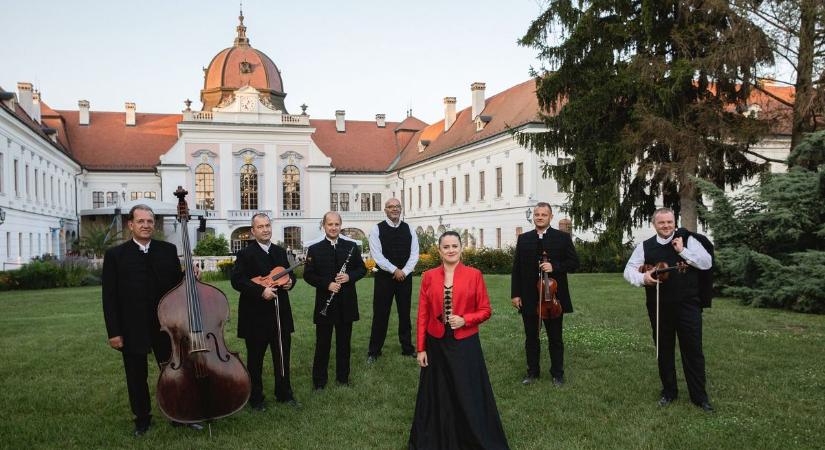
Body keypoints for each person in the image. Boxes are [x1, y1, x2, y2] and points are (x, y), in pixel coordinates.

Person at [102, 204, 202, 436]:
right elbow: (109, 298)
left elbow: (177, 285)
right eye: (141, 221)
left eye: (149, 221)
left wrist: (189, 275)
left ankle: (179, 415)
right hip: (132, 326)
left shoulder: (167, 250)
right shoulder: (116, 255)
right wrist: (114, 332)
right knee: (136, 375)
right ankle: (142, 419)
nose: (146, 225)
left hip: (166, 325)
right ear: (131, 225)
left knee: (174, 371)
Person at [409, 231, 509, 450]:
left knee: (467, 391)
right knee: (438, 393)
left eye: (455, 246)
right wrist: (421, 348)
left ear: (461, 248)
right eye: (446, 247)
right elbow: (422, 315)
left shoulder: (474, 275)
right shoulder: (428, 276)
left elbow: (485, 310)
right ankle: (437, 438)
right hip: (436, 343)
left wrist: (465, 320)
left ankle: (472, 437)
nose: (451, 250)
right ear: (439, 250)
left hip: (465, 343)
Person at [623, 207, 714, 412]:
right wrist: (643, 278)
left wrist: (682, 251)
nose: (666, 226)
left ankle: (699, 397)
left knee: (693, 350)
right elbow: (628, 270)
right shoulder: (645, 246)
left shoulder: (688, 240)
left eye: (670, 222)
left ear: (675, 222)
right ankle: (669, 392)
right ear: (654, 224)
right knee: (663, 350)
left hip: (688, 305)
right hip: (659, 306)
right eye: (662, 223)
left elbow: (706, 263)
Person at [231, 213, 298, 410]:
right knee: (255, 359)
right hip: (255, 315)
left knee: (282, 356)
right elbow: (238, 281)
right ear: (253, 231)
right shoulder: (245, 254)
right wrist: (261, 291)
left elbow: (289, 273)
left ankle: (284, 393)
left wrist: (291, 282)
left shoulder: (279, 251)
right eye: (260, 227)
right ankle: (256, 398)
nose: (265, 229)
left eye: (268, 225)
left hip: (280, 313)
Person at [511, 202, 579, 386]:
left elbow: (574, 263)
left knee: (555, 338)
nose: (540, 217)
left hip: (552, 299)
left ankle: (557, 374)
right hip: (529, 296)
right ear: (533, 216)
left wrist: (554, 266)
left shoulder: (562, 238)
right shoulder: (524, 239)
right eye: (537, 214)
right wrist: (515, 294)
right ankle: (533, 372)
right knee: (531, 338)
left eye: (544, 214)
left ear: (550, 217)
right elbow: (516, 268)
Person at [303, 212, 367, 389]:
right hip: (325, 302)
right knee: (322, 344)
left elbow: (362, 269)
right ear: (323, 225)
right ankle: (319, 382)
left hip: (346, 303)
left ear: (341, 225)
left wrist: (349, 276)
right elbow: (308, 275)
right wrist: (327, 284)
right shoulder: (315, 249)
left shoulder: (352, 247)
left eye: (336, 224)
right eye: (330, 224)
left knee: (344, 344)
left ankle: (343, 379)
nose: (333, 227)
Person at [367, 197, 419, 363]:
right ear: (385, 210)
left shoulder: (409, 228)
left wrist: (403, 271)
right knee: (380, 315)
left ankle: (407, 348)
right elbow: (377, 256)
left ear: (401, 209)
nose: (395, 209)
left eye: (397, 206)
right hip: (384, 279)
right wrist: (394, 270)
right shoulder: (377, 229)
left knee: (405, 314)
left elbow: (414, 254)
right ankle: (374, 352)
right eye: (391, 207)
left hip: (405, 277)